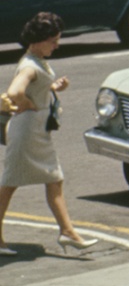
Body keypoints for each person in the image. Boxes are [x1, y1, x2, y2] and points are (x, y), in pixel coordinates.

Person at [0, 14, 89, 253]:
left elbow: (35, 85)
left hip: (37, 133)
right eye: (53, 40)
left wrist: (52, 87)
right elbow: (15, 91)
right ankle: (66, 232)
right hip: (27, 132)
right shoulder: (30, 65)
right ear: (38, 40)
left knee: (53, 179)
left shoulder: (36, 59)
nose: (57, 45)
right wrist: (27, 104)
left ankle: (67, 232)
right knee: (10, 184)